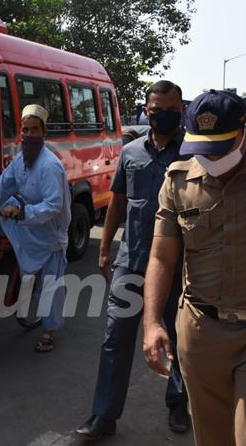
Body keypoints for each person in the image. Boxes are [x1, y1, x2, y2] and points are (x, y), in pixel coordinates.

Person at [143, 89, 246, 445]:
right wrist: (151, 323)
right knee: (212, 438)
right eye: (202, 147)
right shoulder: (178, 181)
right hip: (199, 332)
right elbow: (162, 257)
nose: (210, 158)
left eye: (221, 147)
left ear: (243, 133)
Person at [76, 80, 190, 441]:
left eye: (170, 110)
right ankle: (104, 415)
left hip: (176, 265)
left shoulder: (192, 153)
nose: (161, 116)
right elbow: (118, 202)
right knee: (115, 338)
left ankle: (177, 401)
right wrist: (106, 246)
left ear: (182, 109)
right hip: (132, 260)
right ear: (146, 109)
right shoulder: (131, 153)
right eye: (155, 111)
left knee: (177, 337)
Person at [0, 104, 71, 353]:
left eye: (34, 129)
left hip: (49, 232)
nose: (29, 134)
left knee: (49, 286)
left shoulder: (49, 166)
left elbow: (53, 206)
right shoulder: (20, 160)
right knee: (3, 202)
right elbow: (2, 186)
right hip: (27, 225)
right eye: (25, 130)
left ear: (43, 132)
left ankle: (49, 331)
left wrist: (23, 212)